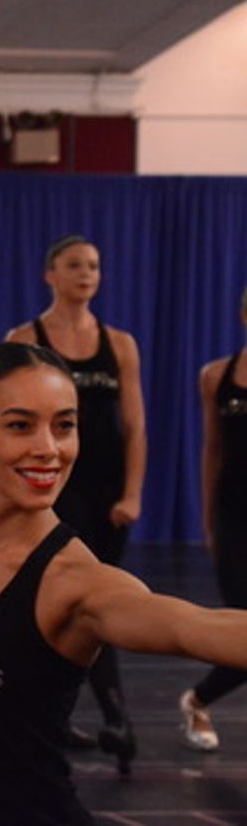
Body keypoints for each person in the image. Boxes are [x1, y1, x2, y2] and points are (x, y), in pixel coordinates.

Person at [0, 341, 247, 826]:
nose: (48, 448)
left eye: (64, 425)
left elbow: (193, 626)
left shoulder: (75, 584)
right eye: (20, 425)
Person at [7, 234, 145, 771]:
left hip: (108, 493)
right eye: (74, 265)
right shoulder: (27, 338)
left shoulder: (121, 344)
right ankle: (115, 716)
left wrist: (132, 493)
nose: (86, 273)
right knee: (75, 601)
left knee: (98, 596)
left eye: (94, 264)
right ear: (51, 275)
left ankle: (79, 716)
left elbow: (133, 426)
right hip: (52, 489)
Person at [177, 287, 247, 752]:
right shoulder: (216, 376)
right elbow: (213, 452)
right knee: (241, 628)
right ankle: (197, 700)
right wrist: (207, 520)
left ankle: (198, 699)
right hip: (235, 515)